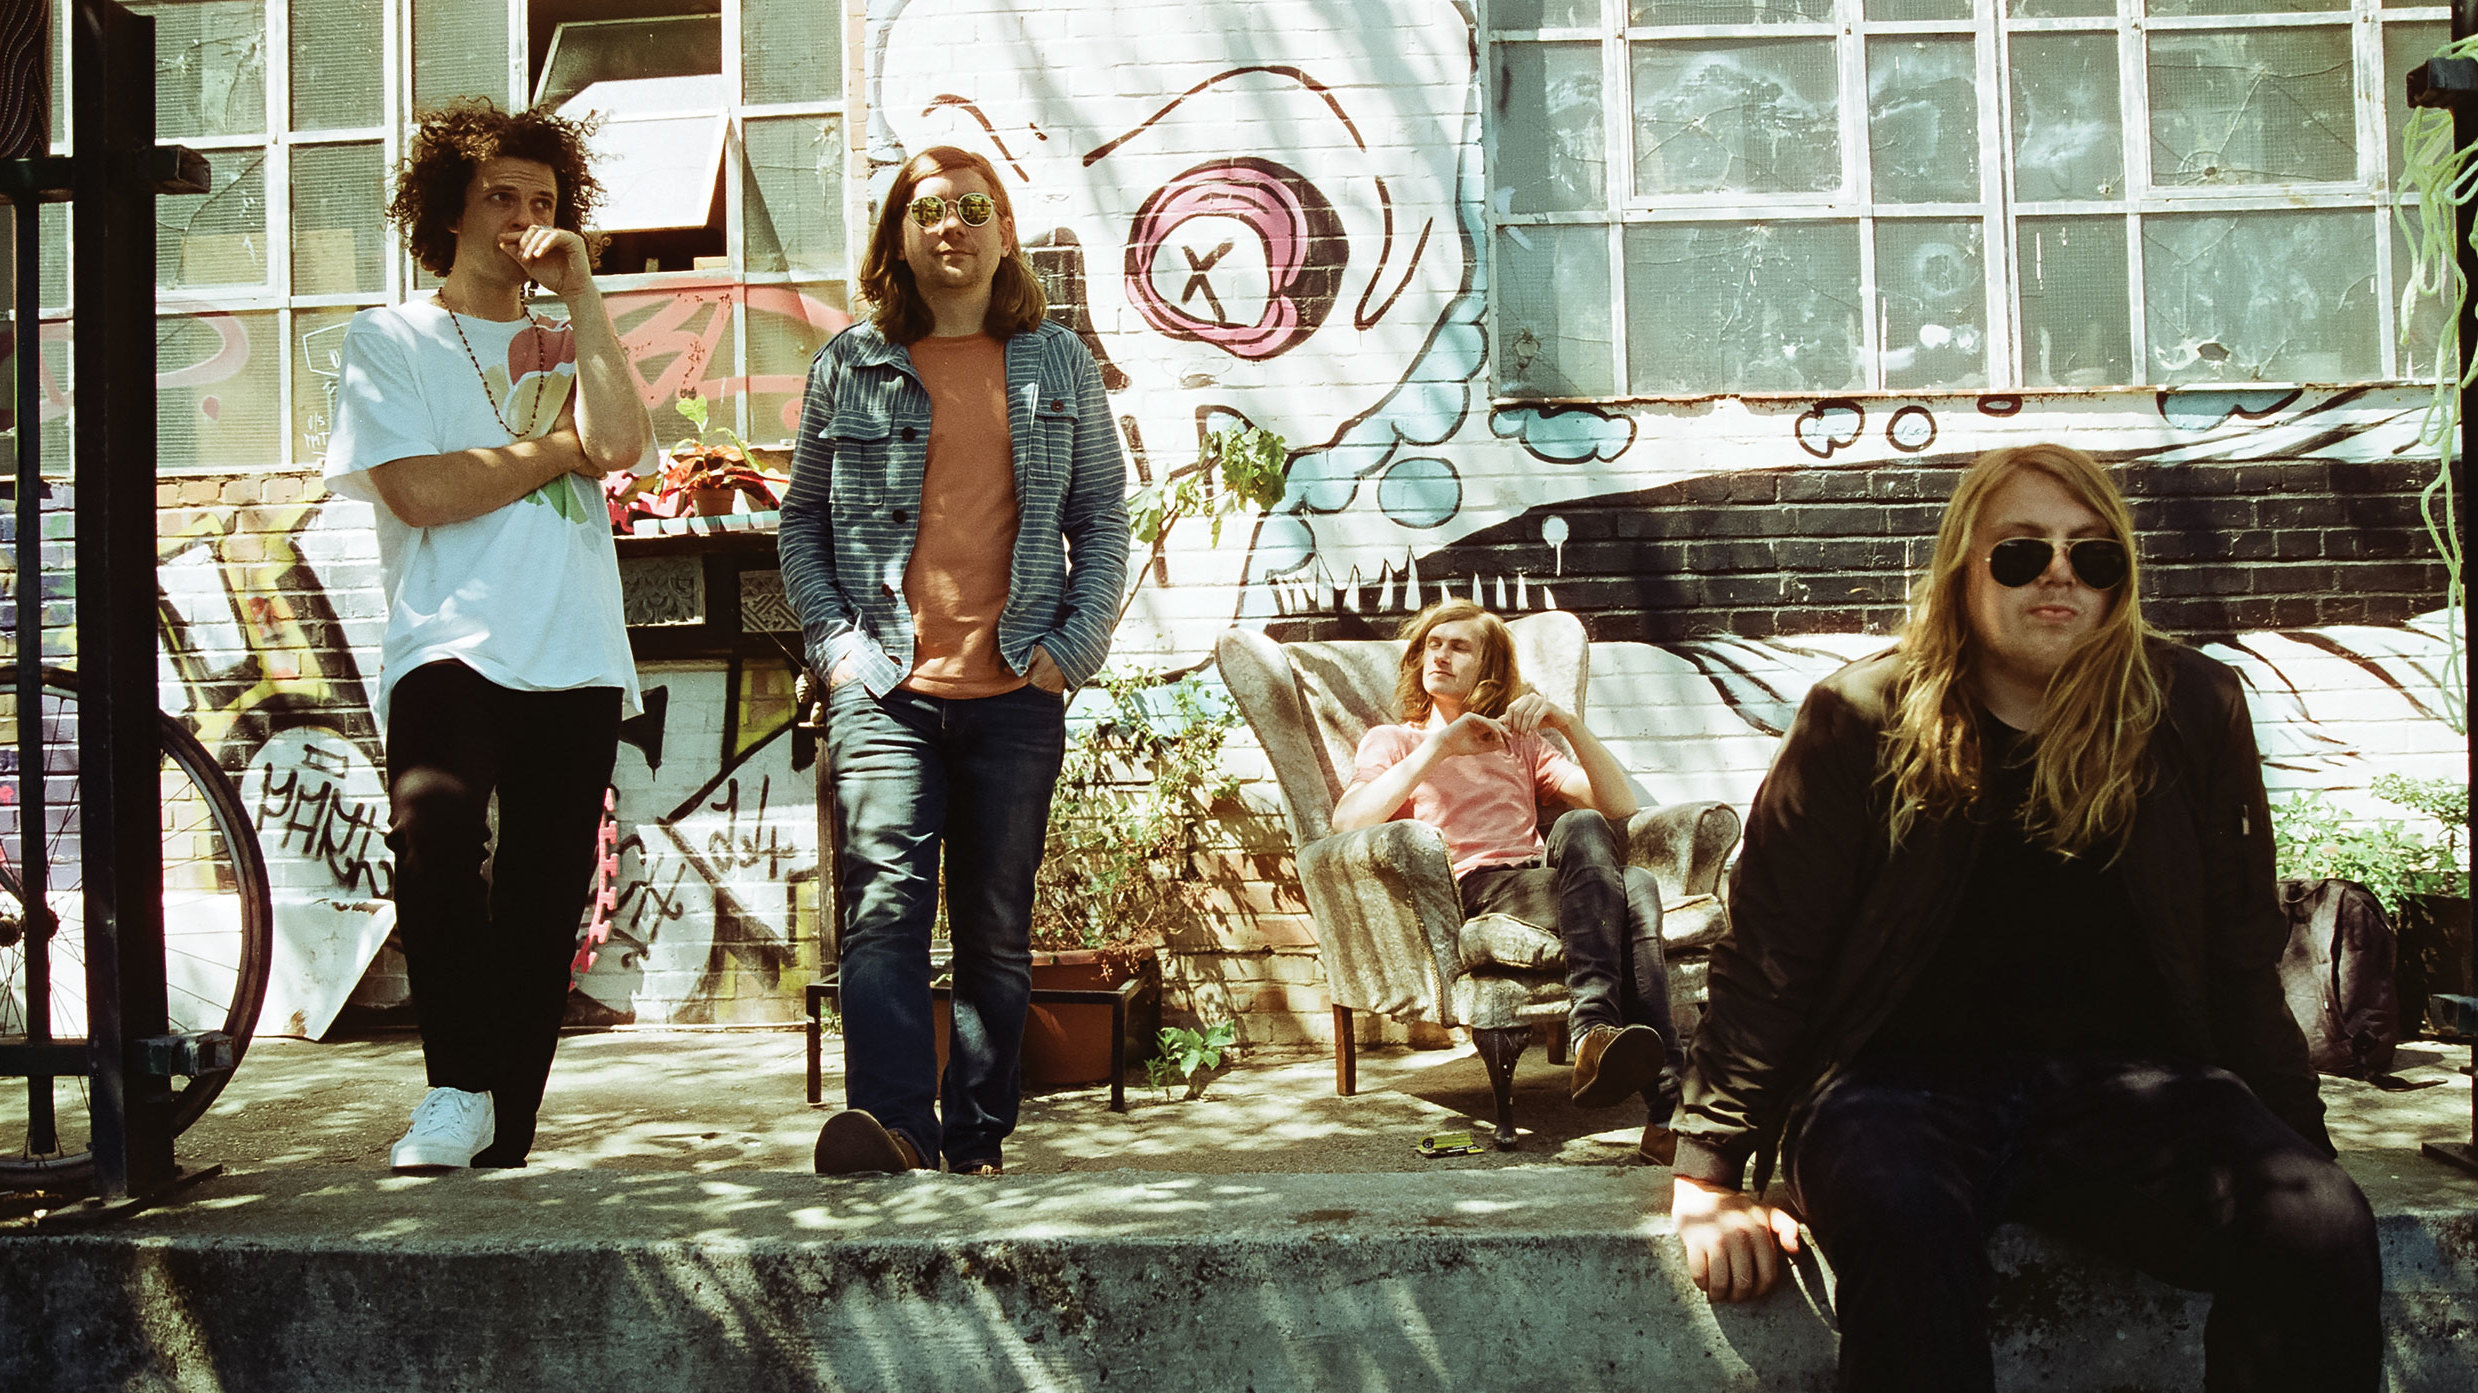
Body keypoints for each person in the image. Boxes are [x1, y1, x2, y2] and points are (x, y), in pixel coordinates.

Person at [1671, 443, 2378, 1391]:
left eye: (2093, 555)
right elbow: (1770, 952)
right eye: (2021, 551)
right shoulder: (1857, 717)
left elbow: (2238, 948)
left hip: (2137, 1091)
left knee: (2320, 1221)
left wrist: (2298, 1143)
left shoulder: (2191, 706)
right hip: (1896, 1087)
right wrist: (1709, 1169)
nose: (2059, 573)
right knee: (1903, 1218)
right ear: (1963, 566)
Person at [780, 146, 1129, 1177]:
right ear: (899, 235)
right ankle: (893, 1128)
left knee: (993, 926)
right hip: (885, 686)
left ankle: (976, 1140)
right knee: (881, 912)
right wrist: (837, 647)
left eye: (975, 208)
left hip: (1017, 684)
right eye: (928, 210)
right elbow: (800, 519)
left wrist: (1072, 649)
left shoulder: (1055, 362)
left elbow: (1103, 513)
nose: (953, 227)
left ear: (1004, 233)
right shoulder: (850, 361)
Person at [325, 99, 651, 1172]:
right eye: (501, 195)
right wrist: (553, 452)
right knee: (435, 837)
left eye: (544, 200)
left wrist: (585, 295)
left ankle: (501, 1122)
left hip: (576, 646)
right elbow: (420, 491)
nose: (524, 216)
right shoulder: (391, 338)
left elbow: (620, 441)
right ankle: (455, 1089)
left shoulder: (571, 331)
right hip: (448, 639)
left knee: (546, 890)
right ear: (450, 209)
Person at [1330, 599, 1680, 1152]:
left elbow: (1618, 805)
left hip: (1543, 879)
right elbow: (1346, 821)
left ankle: (1597, 1035)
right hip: (1481, 886)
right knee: (1636, 888)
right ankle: (1663, 1105)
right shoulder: (1394, 741)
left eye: (1458, 646)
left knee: (1590, 826)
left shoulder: (1518, 743)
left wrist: (1566, 723)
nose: (1438, 654)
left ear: (1487, 670)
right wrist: (1441, 744)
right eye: (1432, 644)